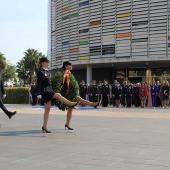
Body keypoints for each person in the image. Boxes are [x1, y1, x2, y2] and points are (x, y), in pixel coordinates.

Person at [36, 58, 78, 133]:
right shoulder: (40, 72)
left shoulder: (48, 72)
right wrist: (38, 93)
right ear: (42, 63)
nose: (48, 63)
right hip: (45, 91)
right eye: (47, 62)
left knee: (47, 109)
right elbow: (38, 83)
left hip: (50, 90)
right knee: (57, 95)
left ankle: (44, 126)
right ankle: (70, 103)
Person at [59, 61, 99, 130]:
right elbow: (65, 83)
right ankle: (93, 104)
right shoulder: (65, 73)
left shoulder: (69, 73)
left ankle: (67, 124)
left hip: (71, 92)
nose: (71, 66)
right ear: (66, 66)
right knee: (73, 106)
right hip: (68, 93)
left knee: (72, 107)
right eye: (70, 65)